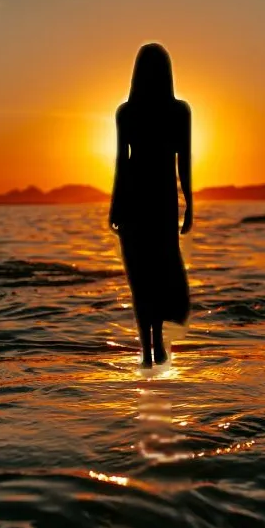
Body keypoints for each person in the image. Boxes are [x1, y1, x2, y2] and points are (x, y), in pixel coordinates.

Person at [109, 43, 193, 368]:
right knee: (157, 273)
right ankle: (156, 347)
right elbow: (183, 161)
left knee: (141, 277)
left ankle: (148, 351)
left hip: (135, 198)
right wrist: (189, 203)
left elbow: (121, 161)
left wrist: (115, 205)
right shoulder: (178, 111)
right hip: (161, 200)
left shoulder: (127, 112)